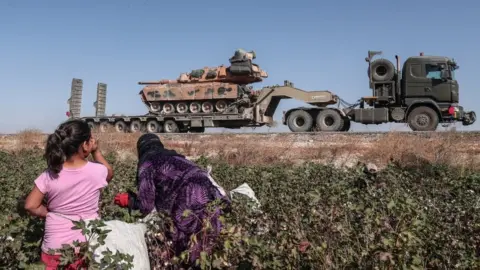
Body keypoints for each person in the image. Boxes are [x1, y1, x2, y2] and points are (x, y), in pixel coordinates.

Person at [113, 133, 229, 266]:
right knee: (208, 240)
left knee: (187, 247)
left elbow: (146, 206)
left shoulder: (147, 163)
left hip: (189, 197)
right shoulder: (175, 156)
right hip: (212, 192)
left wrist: (129, 200)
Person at [24, 119, 114, 269]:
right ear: (85, 144)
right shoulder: (97, 171)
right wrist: (96, 152)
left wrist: (51, 214)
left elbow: (30, 205)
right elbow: (109, 173)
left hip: (55, 247)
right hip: (87, 244)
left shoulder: (50, 173)